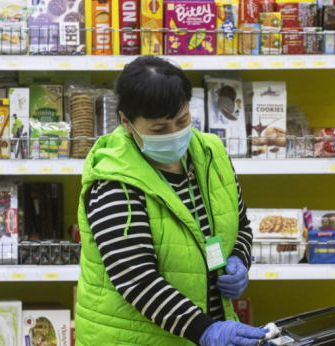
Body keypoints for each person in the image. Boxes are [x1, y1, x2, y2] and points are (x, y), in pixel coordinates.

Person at [76, 56, 266, 346]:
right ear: (126, 121)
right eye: (159, 129)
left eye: (182, 120)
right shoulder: (113, 180)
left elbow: (239, 223)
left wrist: (240, 256)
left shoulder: (211, 154)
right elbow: (137, 280)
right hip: (135, 338)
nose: (175, 134)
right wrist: (205, 330)